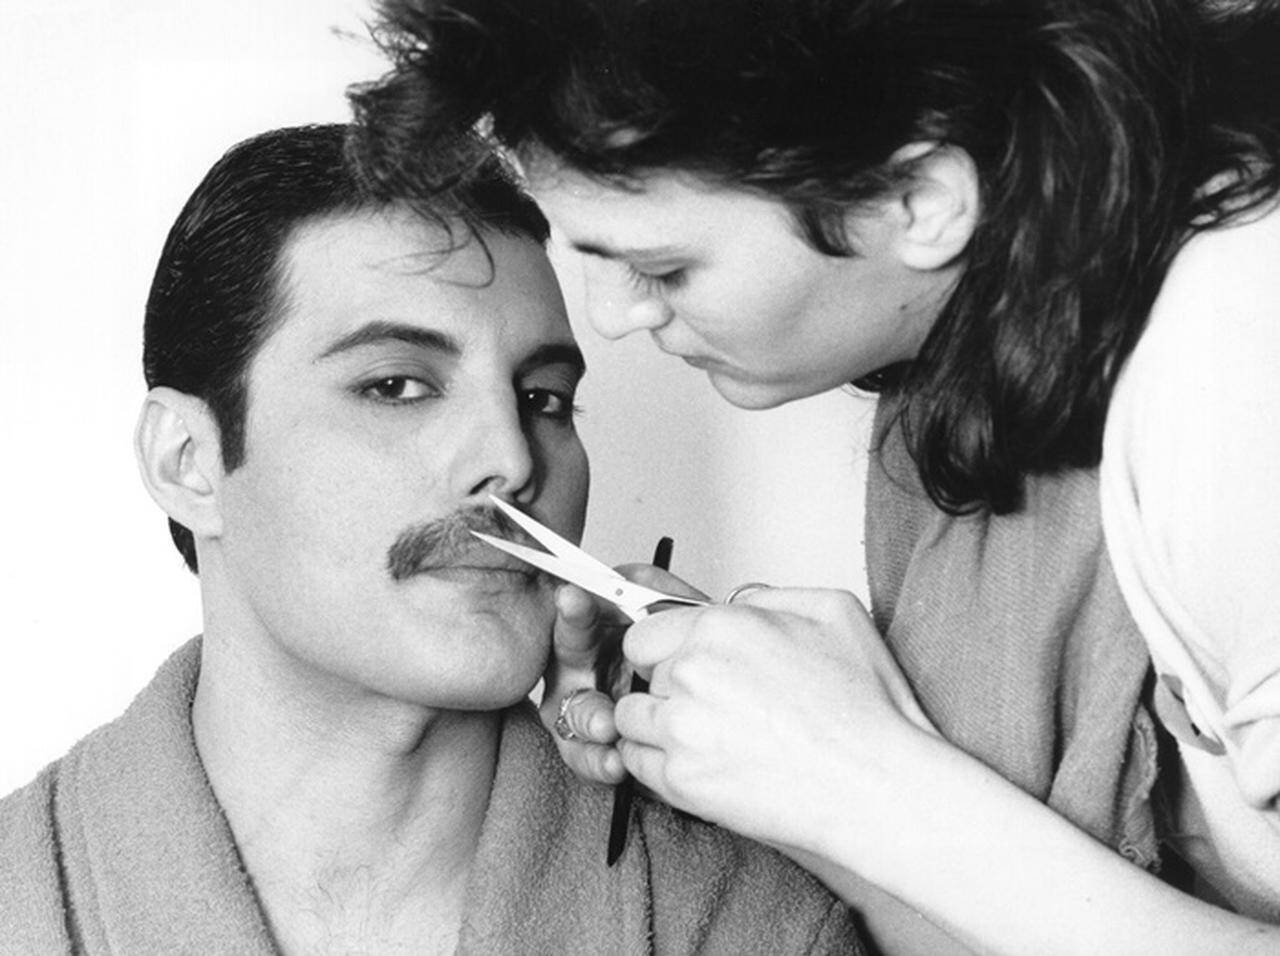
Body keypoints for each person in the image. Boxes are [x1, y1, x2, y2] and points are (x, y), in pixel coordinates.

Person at [348, 1, 1280, 952]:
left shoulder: (1239, 380)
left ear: (920, 201)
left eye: (663, 268)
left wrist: (860, 777)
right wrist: (767, 758)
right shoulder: (978, 367)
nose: (616, 317)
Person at [0, 124, 864, 955]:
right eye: (395, 386)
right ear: (188, 462)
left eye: (543, 399)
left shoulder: (758, 924)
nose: (512, 459)